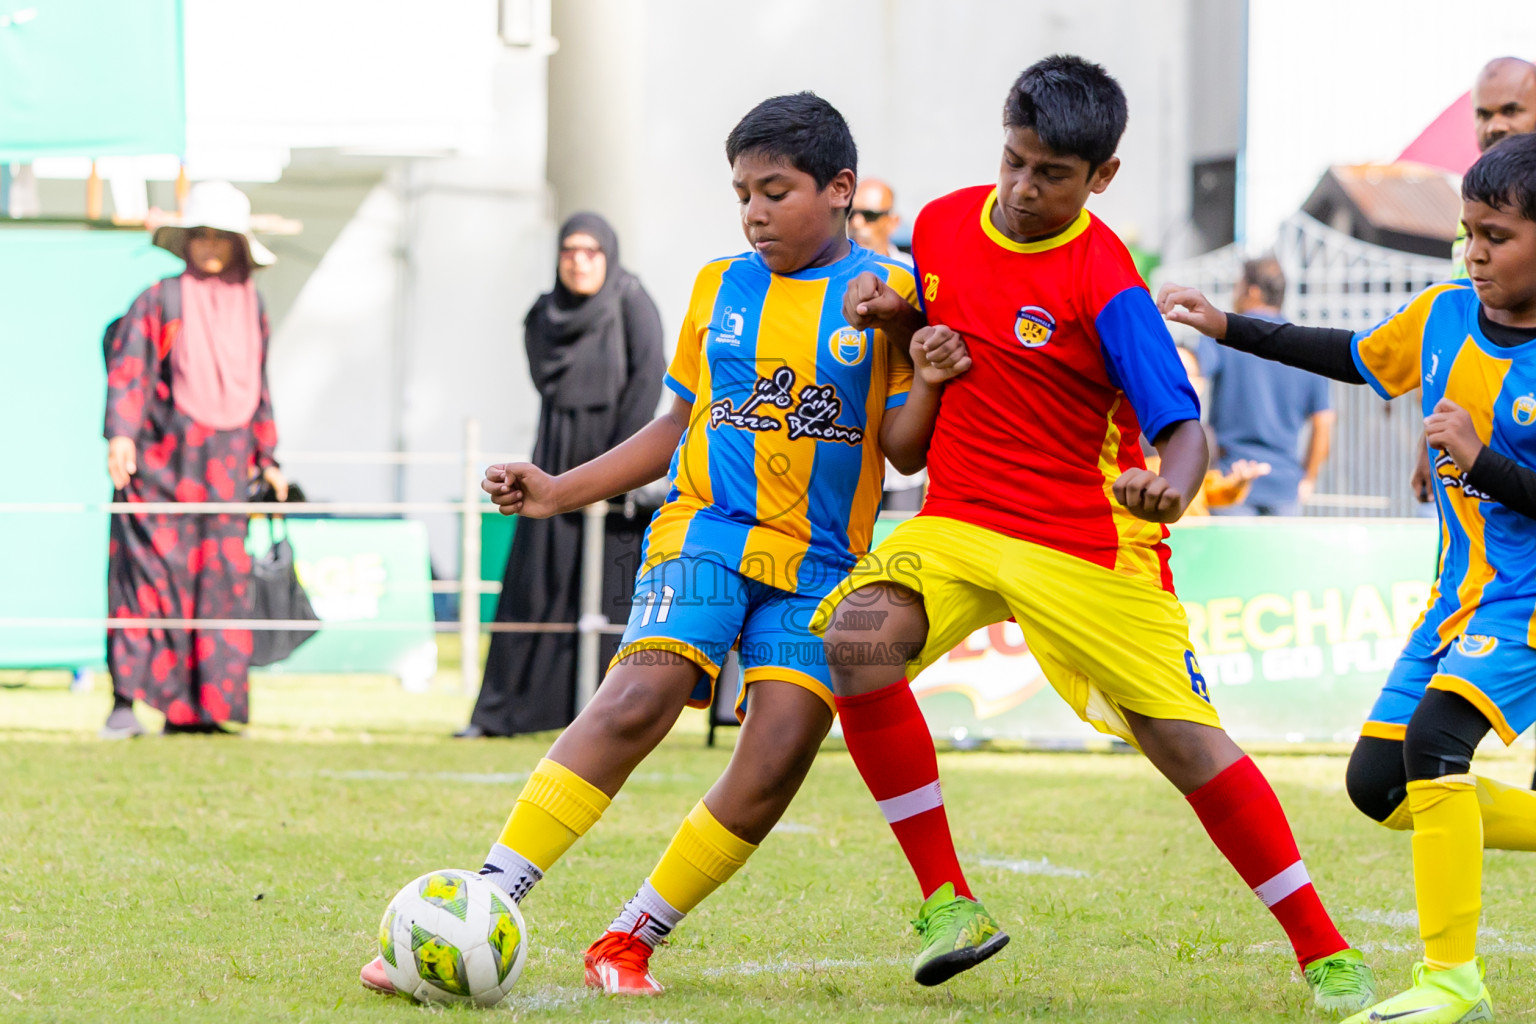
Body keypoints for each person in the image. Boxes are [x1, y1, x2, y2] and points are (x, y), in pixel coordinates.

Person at [360, 92, 971, 997]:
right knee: (640, 698)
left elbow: (907, 450)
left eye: (776, 191)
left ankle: (630, 937)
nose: (755, 212)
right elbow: (675, 424)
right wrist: (558, 489)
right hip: (704, 532)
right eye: (742, 194)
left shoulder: (889, 296)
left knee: (775, 760)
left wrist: (920, 369)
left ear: (840, 189)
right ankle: (485, 899)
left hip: (824, 566)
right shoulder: (719, 286)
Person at [812, 56, 1377, 1011]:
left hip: (1087, 539)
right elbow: (942, 313)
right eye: (1015, 162)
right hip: (960, 517)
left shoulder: (1108, 280)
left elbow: (1182, 424)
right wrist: (905, 317)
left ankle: (1325, 953)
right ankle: (948, 903)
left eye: (1052, 175)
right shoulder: (945, 222)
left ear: (1100, 178)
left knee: (1183, 742)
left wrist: (1173, 487)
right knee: (856, 640)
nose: (1024, 190)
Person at [1160, 131, 1536, 1024]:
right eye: (1468, 233)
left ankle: (1453, 981)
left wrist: (1478, 460)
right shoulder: (1444, 313)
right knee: (1379, 784)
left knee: (1436, 743)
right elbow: (1346, 353)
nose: (1476, 253)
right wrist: (1227, 327)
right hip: (1458, 597)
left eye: (1498, 236)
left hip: (1527, 603)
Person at [457, 213, 665, 739]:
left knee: (603, 593)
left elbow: (649, 379)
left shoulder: (632, 303)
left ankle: (601, 718)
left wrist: (617, 468)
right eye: (570, 250)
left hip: (615, 464)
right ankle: (504, 713)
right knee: (534, 586)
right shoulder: (544, 314)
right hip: (553, 458)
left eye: (592, 251)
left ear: (609, 256)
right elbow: (546, 381)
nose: (579, 260)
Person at [99, 181, 287, 739]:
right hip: (161, 463)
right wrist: (120, 436)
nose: (209, 245)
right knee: (147, 577)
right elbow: (129, 366)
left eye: (221, 236)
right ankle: (125, 704)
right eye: (200, 234)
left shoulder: (252, 304)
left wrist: (268, 454)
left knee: (219, 581)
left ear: (238, 245)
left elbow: (260, 384)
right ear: (185, 241)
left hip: (226, 468)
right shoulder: (160, 298)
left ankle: (199, 712)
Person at [1411, 57, 1536, 505]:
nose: (1495, 125)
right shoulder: (1479, 208)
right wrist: (1431, 435)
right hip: (1469, 441)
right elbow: (1454, 334)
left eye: (1510, 110)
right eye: (1483, 114)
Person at [1199, 258, 1333, 516]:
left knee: (1231, 558)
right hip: (1285, 487)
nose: (1234, 295)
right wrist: (1308, 478)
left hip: (1231, 480)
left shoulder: (1226, 336)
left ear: (1253, 291)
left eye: (1237, 286)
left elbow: (1192, 376)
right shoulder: (1306, 346)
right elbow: (1324, 422)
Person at [851, 179, 925, 511]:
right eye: (851, 213)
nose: (857, 223)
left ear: (892, 222)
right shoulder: (829, 276)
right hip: (850, 455)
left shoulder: (915, 277)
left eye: (869, 214)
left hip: (902, 468)